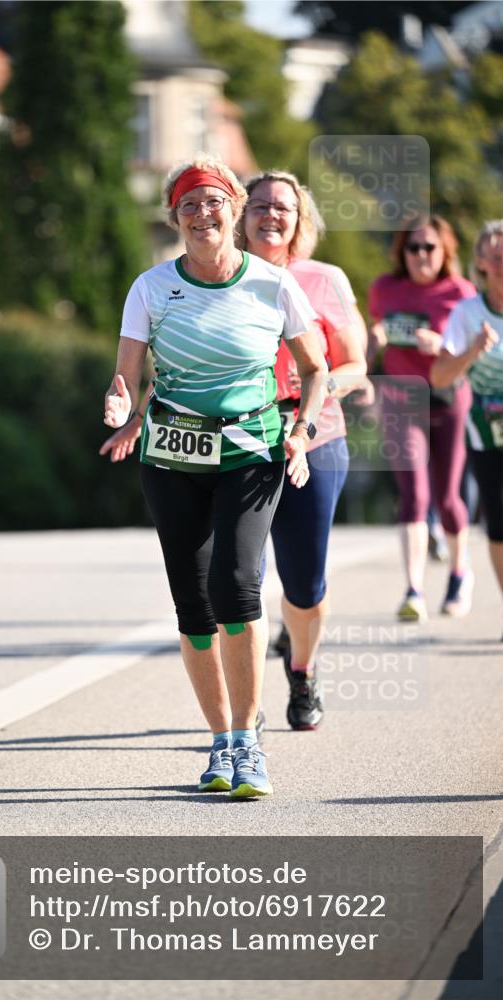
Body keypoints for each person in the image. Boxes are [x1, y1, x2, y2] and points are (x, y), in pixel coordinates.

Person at [103, 155, 327, 798]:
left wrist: (301, 429)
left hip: (251, 451)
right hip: (171, 458)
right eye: (189, 205)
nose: (203, 214)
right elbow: (128, 376)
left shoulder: (272, 284)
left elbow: (315, 368)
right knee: (194, 606)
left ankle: (250, 741)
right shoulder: (150, 288)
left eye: (214, 202)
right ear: (175, 217)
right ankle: (222, 742)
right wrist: (120, 407)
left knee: (236, 584)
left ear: (234, 211)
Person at [241, 171, 368, 731]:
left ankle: (303, 668)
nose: (272, 215)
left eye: (284, 208)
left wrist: (310, 400)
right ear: (242, 219)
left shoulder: (324, 279)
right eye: (260, 205)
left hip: (314, 437)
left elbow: (355, 366)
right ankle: (247, 704)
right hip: (240, 438)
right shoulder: (222, 278)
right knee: (240, 576)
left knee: (305, 582)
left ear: (300, 220)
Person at [368, 215, 477, 622]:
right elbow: (370, 337)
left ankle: (458, 573)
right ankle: (413, 589)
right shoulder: (385, 288)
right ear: (402, 253)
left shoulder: (461, 294)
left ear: (445, 251)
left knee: (448, 497)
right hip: (401, 395)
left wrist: (443, 347)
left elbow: (470, 355)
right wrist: (372, 343)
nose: (420, 256)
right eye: (412, 248)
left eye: (428, 247)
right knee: (413, 494)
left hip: (448, 395)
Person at [431, 220, 503, 617]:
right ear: (481, 263)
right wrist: (472, 350)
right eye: (496, 257)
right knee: (499, 525)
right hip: (487, 432)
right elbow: (439, 377)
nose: (502, 264)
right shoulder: (468, 313)